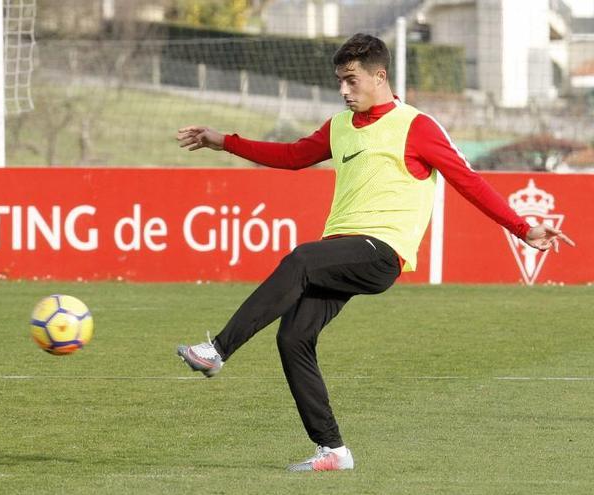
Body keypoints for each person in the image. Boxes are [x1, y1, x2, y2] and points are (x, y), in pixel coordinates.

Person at [175, 33, 574, 472]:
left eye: (351, 80)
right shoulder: (339, 126)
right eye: (339, 82)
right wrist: (224, 141)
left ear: (379, 76)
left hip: (382, 252)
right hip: (341, 252)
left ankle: (218, 350)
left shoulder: (416, 125)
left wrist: (521, 228)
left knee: (300, 260)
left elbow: (468, 180)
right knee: (292, 338)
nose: (344, 91)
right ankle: (333, 450)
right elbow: (291, 156)